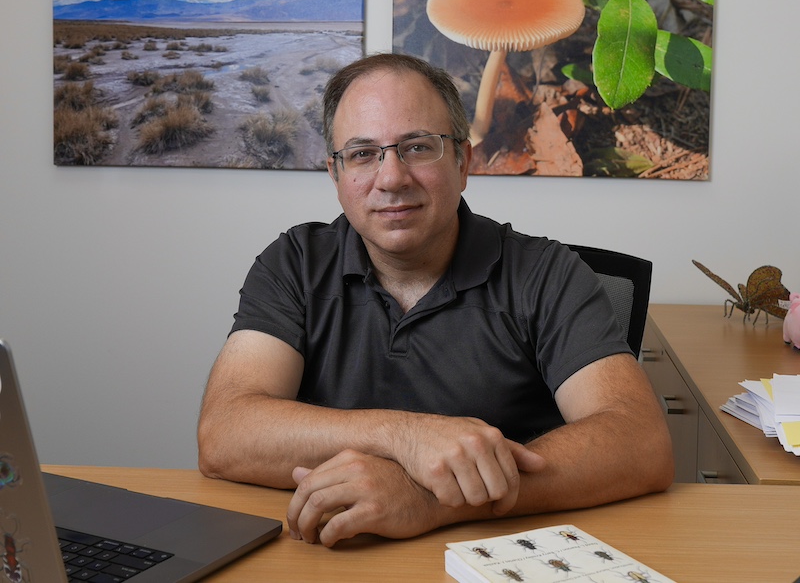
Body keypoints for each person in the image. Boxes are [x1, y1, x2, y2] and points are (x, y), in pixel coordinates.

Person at [197, 53, 673, 548]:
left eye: (418, 148)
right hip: (331, 556)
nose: (391, 178)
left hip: (498, 559)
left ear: (463, 162)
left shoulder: (546, 274)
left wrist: (433, 499)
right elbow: (225, 434)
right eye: (362, 154)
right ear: (335, 176)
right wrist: (402, 436)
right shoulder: (293, 262)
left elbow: (640, 441)